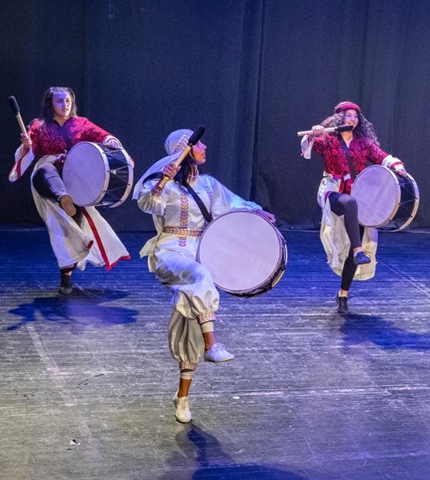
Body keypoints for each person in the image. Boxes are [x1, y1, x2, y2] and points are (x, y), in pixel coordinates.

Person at [134, 129, 277, 423]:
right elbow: (146, 203)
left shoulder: (210, 184)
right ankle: (213, 344)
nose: (205, 147)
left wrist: (257, 212)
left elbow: (233, 205)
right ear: (183, 150)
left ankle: (183, 396)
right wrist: (163, 178)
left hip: (202, 251)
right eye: (198, 144)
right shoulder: (165, 186)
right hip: (172, 251)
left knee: (188, 323)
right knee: (200, 276)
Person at [9, 86, 129, 294]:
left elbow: (102, 136)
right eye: (59, 101)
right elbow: (28, 153)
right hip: (49, 179)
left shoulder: (81, 123)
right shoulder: (39, 126)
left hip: (75, 179)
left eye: (67, 101)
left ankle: (66, 277)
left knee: (68, 230)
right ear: (50, 104)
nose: (64, 105)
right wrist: (27, 145)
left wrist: (110, 140)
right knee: (44, 171)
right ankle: (62, 196)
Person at [301, 101, 407, 315]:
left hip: (358, 193)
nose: (352, 119)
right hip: (333, 191)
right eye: (348, 116)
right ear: (340, 118)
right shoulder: (328, 139)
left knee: (353, 242)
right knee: (350, 204)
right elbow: (306, 149)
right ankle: (360, 250)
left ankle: (343, 293)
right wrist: (313, 134)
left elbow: (382, 156)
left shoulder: (363, 143)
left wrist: (397, 166)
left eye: (355, 116)